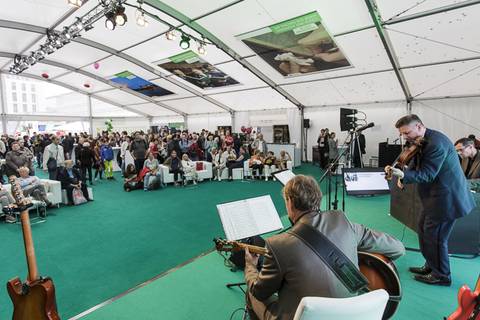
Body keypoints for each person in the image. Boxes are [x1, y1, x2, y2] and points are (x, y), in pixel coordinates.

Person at [244, 175, 405, 320]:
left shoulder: (278, 244)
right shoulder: (344, 223)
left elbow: (260, 291)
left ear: (291, 202)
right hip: (352, 314)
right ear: (318, 199)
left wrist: (250, 267)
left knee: (252, 294)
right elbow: (397, 248)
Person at [385, 114, 475, 286]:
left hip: (447, 199)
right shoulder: (421, 139)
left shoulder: (436, 144)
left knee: (437, 237)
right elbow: (414, 162)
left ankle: (442, 275)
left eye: (407, 132)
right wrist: (402, 175)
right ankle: (431, 265)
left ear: (419, 126)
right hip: (434, 198)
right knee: (424, 230)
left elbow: (427, 173)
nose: (405, 137)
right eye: (402, 134)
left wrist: (404, 174)